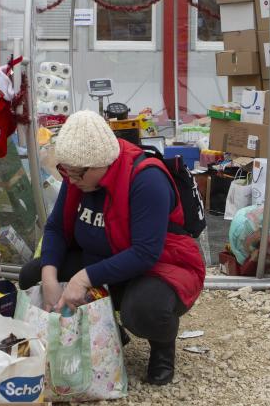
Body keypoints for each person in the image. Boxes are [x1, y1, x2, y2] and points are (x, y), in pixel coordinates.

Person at [18, 110, 206, 386]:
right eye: (66, 171)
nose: (70, 180)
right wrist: (49, 278)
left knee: (143, 311)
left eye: (76, 174)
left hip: (158, 267)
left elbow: (145, 253)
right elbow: (56, 228)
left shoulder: (146, 179)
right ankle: (108, 332)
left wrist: (82, 279)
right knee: (31, 275)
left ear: (100, 164)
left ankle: (163, 346)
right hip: (103, 258)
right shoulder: (77, 175)